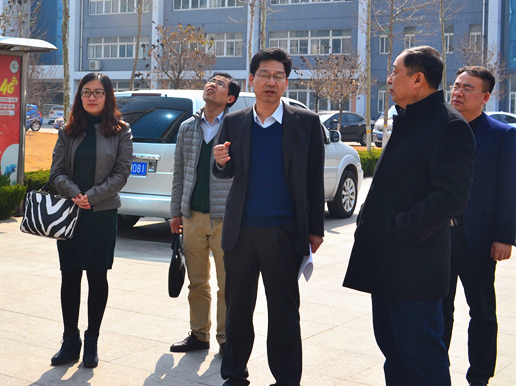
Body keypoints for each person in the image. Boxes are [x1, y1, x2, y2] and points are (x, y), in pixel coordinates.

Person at [343, 46, 476, 386]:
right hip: (386, 261)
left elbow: (451, 197)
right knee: (395, 355)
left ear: (418, 80)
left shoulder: (449, 125)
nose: (388, 79)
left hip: (414, 267)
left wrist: (401, 229)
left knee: (423, 362)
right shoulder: (407, 118)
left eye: (395, 72)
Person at [212, 48, 325, 386]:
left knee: (284, 312)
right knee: (237, 310)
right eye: (264, 75)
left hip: (285, 232)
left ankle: (287, 378)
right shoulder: (234, 121)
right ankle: (234, 374)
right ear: (252, 80)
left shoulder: (306, 122)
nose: (270, 82)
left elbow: (314, 179)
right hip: (241, 232)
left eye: (278, 76)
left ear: (286, 83)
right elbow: (224, 171)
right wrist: (219, 161)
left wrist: (315, 230)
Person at [48, 73, 132, 368]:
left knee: (98, 277)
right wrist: (75, 193)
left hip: (102, 215)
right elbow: (56, 172)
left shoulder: (121, 130)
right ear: (79, 96)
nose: (92, 97)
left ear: (108, 96)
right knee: (70, 276)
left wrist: (92, 196)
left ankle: (92, 341)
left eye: (98, 92)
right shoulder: (67, 130)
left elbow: (122, 173)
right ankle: (70, 340)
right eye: (86, 92)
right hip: (70, 214)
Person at [444, 66, 516, 386]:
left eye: (467, 88)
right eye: (456, 86)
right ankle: (435, 371)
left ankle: (480, 376)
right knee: (438, 310)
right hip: (438, 235)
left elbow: (509, 188)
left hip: (478, 237)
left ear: (485, 97)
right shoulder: (441, 128)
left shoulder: (502, 134)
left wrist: (504, 236)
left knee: (483, 312)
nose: (457, 92)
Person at [169, 72, 239, 355]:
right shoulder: (187, 127)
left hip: (226, 218)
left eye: (220, 84)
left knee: (228, 284)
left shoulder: (237, 128)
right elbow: (179, 172)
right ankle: (199, 334)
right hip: (192, 217)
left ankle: (227, 339)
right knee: (197, 282)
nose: (212, 85)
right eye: (211, 81)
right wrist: (176, 212)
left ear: (230, 98)